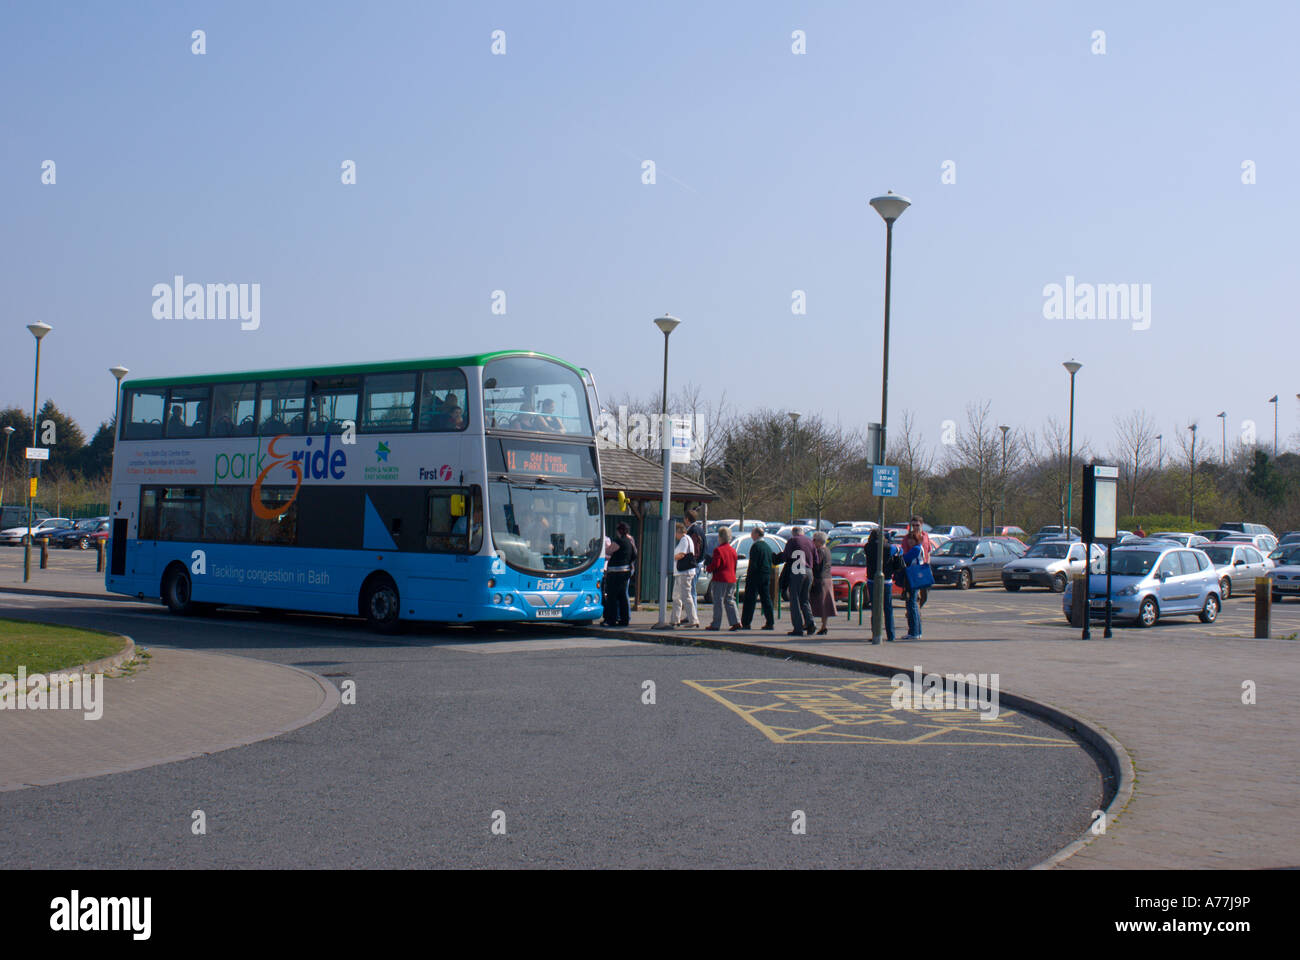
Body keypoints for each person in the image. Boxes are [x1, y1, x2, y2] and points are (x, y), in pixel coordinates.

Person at [776, 525, 817, 636]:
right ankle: (810, 623)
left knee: (794, 600)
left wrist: (776, 558)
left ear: (793, 533)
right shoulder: (810, 541)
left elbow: (786, 556)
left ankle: (798, 628)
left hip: (797, 570)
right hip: (809, 571)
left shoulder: (792, 541)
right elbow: (816, 559)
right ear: (802, 532)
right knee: (805, 599)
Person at [900, 515, 935, 640]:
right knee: (914, 603)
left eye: (917, 525)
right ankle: (915, 630)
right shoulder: (908, 539)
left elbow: (906, 557)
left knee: (914, 603)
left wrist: (927, 565)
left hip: (919, 573)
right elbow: (904, 552)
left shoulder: (923, 538)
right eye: (913, 525)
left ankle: (915, 631)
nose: (915, 528)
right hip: (914, 572)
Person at [865, 528, 899, 642]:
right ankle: (891, 634)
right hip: (886, 580)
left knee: (875, 608)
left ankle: (875, 633)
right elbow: (900, 551)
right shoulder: (888, 548)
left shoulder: (867, 547)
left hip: (871, 579)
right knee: (887, 607)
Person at [741, 527, 776, 630]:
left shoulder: (756, 546)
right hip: (766, 575)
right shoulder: (767, 547)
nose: (751, 535)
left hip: (755, 576)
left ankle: (746, 622)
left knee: (750, 600)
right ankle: (770, 622)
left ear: (756, 534)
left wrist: (749, 577)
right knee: (766, 599)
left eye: (752, 533)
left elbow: (753, 564)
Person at [706, 526, 741, 630]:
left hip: (720, 578)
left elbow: (716, 564)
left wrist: (708, 568)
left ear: (720, 537)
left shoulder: (718, 550)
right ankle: (736, 621)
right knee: (730, 600)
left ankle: (716, 624)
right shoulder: (733, 550)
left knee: (718, 601)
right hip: (731, 578)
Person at [603, 522, 636, 626]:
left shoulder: (619, 541)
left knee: (612, 597)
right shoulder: (630, 542)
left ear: (619, 531)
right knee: (623, 597)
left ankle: (611, 620)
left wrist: (606, 548)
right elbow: (634, 555)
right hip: (626, 572)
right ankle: (624, 619)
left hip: (615, 574)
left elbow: (608, 551)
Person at [671, 521, 700, 628]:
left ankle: (693, 619)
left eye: (675, 533)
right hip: (682, 573)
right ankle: (675, 619)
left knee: (685, 596)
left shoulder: (684, 539)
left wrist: (671, 557)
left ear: (679, 532)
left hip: (684, 572)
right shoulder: (688, 539)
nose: (674, 535)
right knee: (677, 596)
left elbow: (681, 554)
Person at [809, 530, 835, 635]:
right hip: (828, 578)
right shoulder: (828, 550)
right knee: (826, 604)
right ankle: (824, 626)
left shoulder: (819, 551)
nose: (813, 542)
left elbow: (817, 565)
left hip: (820, 580)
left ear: (819, 541)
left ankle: (810, 624)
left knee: (814, 603)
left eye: (814, 540)